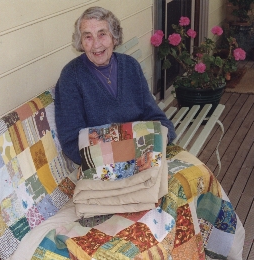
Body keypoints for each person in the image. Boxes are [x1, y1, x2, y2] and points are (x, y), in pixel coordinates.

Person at [55, 6, 176, 164]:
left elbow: (156, 117)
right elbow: (72, 142)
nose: (96, 44)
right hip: (104, 165)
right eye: (88, 37)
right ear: (81, 42)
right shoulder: (71, 76)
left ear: (115, 37)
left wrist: (163, 138)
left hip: (145, 153)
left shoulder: (130, 66)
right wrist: (125, 157)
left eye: (102, 34)